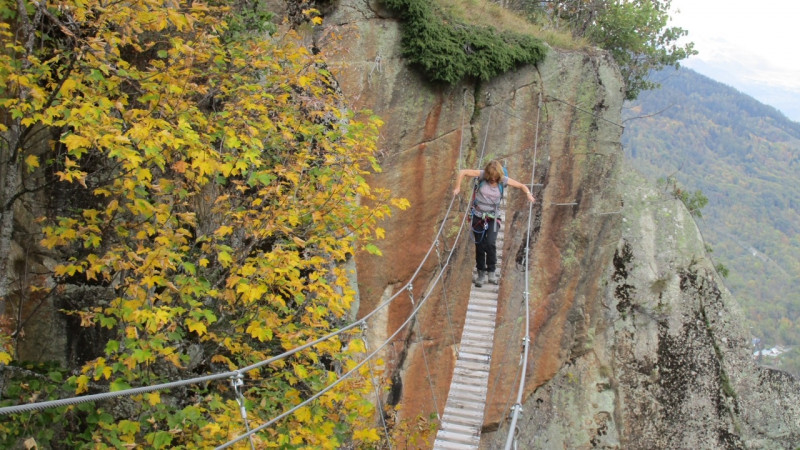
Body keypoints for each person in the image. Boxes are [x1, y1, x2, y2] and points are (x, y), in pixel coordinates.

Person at [453, 160, 535, 287]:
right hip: (478, 216)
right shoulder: (481, 175)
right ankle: (481, 273)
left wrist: (528, 194)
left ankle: (491, 271)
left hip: (493, 217)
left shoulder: (502, 180)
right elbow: (462, 172)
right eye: (490, 177)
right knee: (479, 245)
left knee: (490, 243)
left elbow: (522, 186)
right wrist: (457, 187)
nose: (492, 180)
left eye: (494, 178)